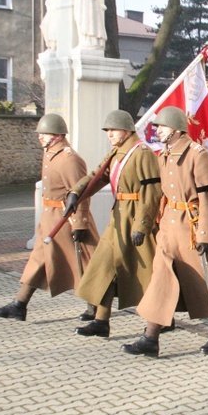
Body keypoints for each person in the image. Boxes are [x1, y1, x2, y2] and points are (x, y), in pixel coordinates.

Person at [122, 107, 208, 357]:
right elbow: (161, 195)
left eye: (161, 126)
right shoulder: (164, 155)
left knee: (207, 282)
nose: (157, 130)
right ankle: (150, 337)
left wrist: (206, 232)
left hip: (192, 227)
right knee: (161, 279)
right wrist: (151, 224)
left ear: (176, 128)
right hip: (170, 226)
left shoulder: (196, 154)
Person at [0, 114, 99, 322]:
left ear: (57, 136)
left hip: (65, 221)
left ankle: (97, 309)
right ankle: (19, 305)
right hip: (49, 219)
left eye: (44, 134)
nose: (40, 137)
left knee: (83, 264)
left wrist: (79, 223)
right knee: (37, 261)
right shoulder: (50, 153)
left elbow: (81, 193)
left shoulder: (69, 158)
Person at [66, 110, 162, 338]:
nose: (109, 134)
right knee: (103, 268)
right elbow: (97, 176)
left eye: (113, 130)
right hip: (118, 218)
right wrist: (75, 193)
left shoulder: (142, 153)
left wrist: (142, 225)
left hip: (137, 216)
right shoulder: (116, 153)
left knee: (146, 274)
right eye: (107, 130)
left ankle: (159, 318)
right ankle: (101, 320)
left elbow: (152, 191)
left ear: (126, 130)